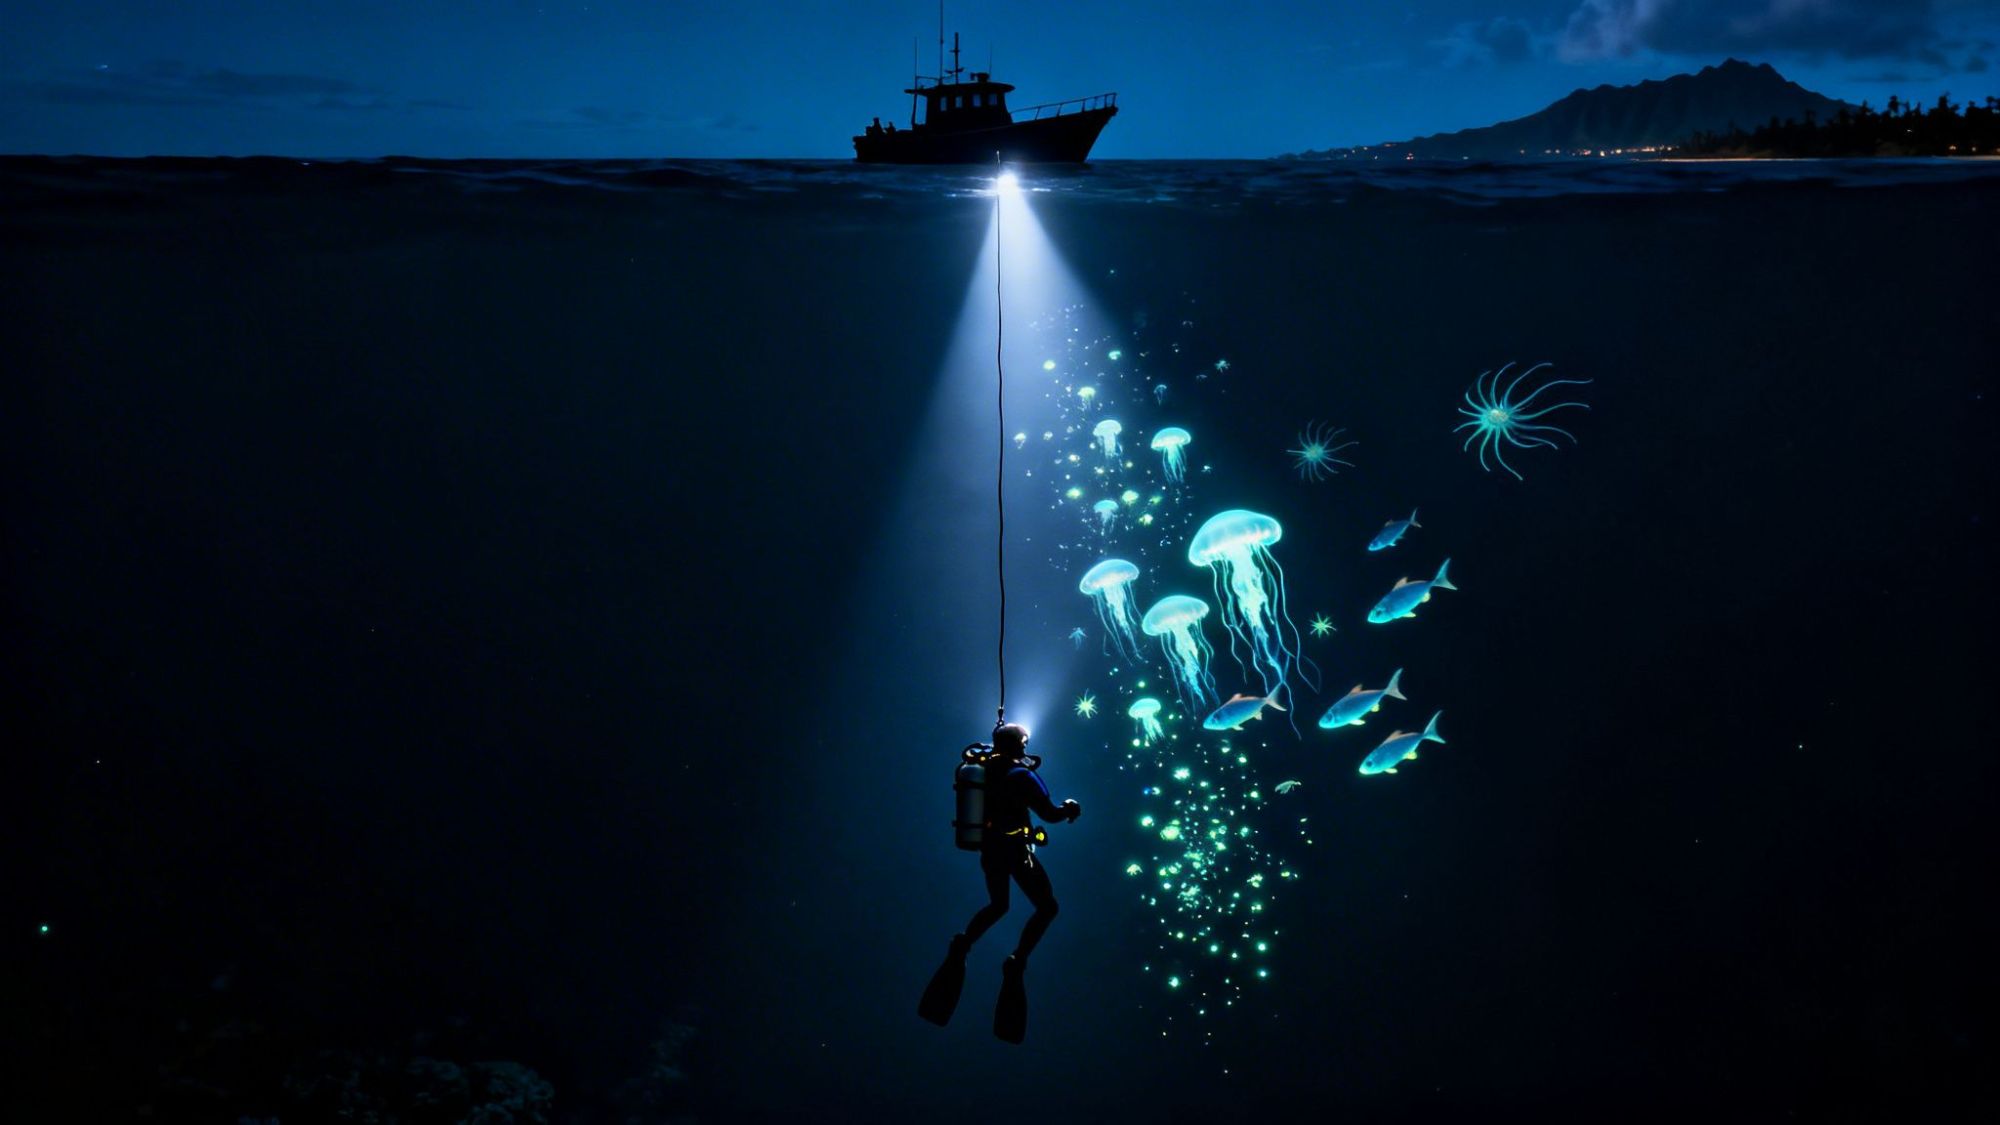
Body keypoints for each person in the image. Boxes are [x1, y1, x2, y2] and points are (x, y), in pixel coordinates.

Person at [918, 721, 1081, 1042]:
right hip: (1015, 851)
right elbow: (1049, 814)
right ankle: (1016, 961)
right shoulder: (1021, 776)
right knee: (1047, 907)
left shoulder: (985, 768)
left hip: (989, 849)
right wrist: (1070, 808)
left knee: (998, 905)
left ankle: (962, 944)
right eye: (1024, 741)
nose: (1026, 745)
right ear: (1017, 743)